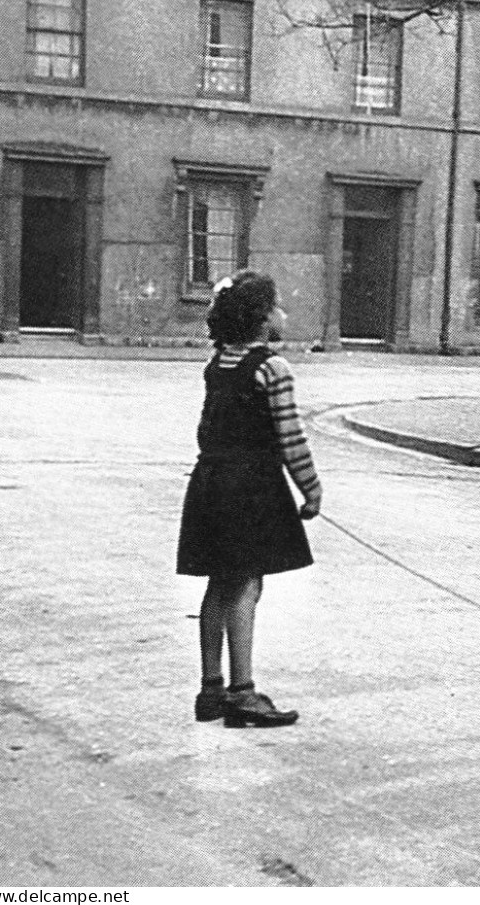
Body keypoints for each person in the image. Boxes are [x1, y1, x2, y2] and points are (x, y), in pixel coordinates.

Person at [177, 270, 321, 728]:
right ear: (261, 318)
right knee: (246, 584)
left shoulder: (218, 364)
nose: (283, 313)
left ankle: (210, 690)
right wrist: (311, 488)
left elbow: (208, 427)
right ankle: (243, 692)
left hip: (210, 481)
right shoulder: (272, 368)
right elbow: (291, 438)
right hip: (251, 486)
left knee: (218, 583)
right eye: (276, 306)